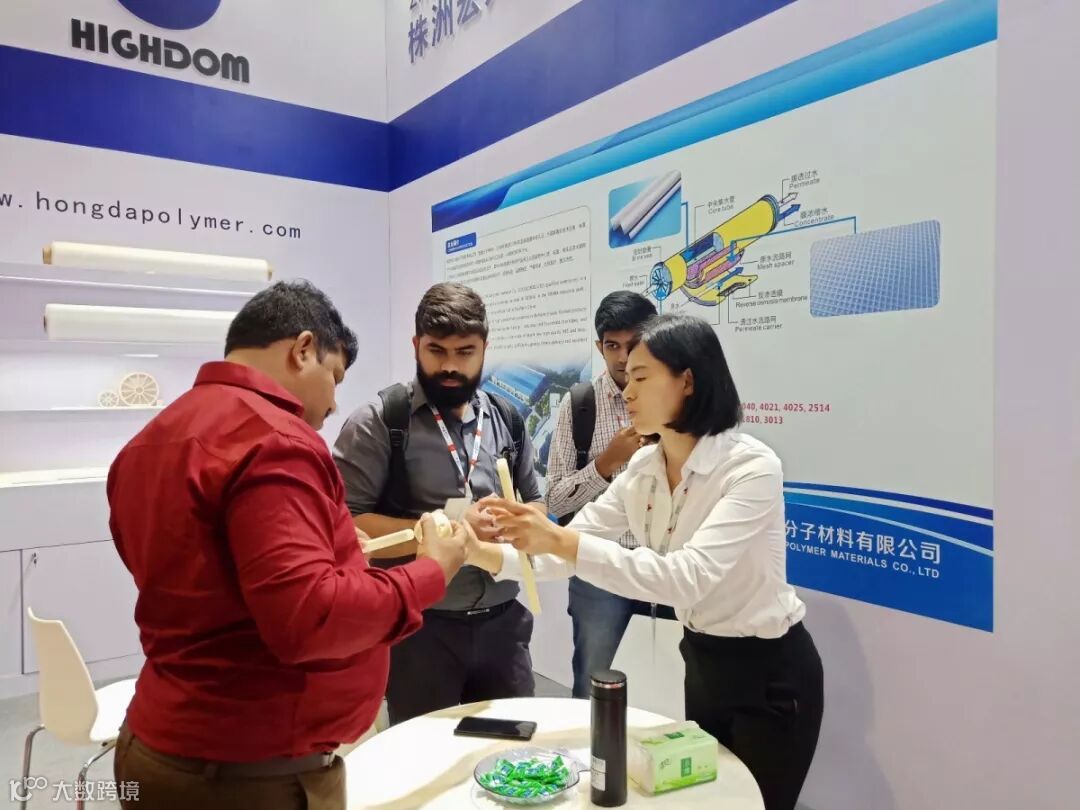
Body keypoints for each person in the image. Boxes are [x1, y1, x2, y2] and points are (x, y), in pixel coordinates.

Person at [107, 280, 469, 810]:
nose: (333, 403)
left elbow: (212, 577)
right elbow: (312, 616)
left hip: (161, 743)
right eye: (334, 377)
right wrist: (433, 570)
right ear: (303, 349)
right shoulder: (274, 438)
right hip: (247, 774)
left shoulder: (150, 440)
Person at [469, 313, 824, 810]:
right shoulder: (644, 466)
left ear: (687, 381)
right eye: (626, 377)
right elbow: (567, 550)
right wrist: (477, 553)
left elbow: (686, 579)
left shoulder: (750, 467)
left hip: (770, 673)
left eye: (640, 377)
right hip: (702, 661)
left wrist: (560, 540)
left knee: (758, 802)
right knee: (707, 800)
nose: (627, 391)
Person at [333, 282, 544, 725]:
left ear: (485, 348)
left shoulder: (506, 418)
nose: (450, 365)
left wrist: (516, 522)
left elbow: (536, 505)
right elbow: (347, 528)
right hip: (420, 631)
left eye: (465, 352)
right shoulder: (380, 422)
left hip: (504, 627)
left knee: (513, 754)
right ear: (416, 345)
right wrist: (455, 531)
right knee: (424, 757)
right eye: (436, 350)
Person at [545, 290, 677, 698]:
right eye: (611, 346)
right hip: (600, 571)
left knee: (670, 687)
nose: (622, 358)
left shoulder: (676, 398)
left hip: (665, 564)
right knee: (595, 684)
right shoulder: (581, 404)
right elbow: (555, 501)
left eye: (632, 344)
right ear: (599, 345)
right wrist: (607, 462)